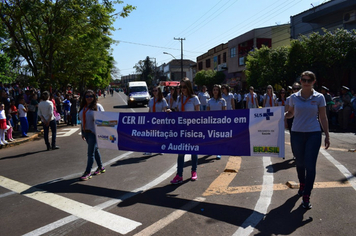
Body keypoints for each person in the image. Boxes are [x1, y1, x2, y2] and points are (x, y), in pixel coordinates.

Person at [285, 71, 330, 209]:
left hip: (313, 134)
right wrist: (282, 114)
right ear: (300, 81)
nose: (305, 82)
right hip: (297, 133)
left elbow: (323, 117)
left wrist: (327, 135)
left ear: (313, 82)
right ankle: (302, 184)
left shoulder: (319, 97)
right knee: (299, 163)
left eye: (309, 80)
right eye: (303, 80)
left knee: (310, 166)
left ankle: (306, 195)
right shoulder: (294, 97)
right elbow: (291, 113)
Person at [170, 78, 200, 184]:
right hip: (181, 129)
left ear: (188, 87)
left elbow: (198, 114)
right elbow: (178, 112)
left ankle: (194, 171)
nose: (182, 89)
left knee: (193, 150)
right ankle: (179, 175)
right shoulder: (179, 99)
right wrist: (171, 111)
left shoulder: (195, 99)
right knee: (181, 152)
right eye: (180, 87)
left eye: (184, 87)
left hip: (192, 129)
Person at [78, 89, 105, 181]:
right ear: (84, 98)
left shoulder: (97, 106)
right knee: (95, 150)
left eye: (91, 96)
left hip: (94, 133)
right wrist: (82, 132)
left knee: (90, 154)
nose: (89, 98)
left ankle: (87, 172)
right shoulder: (83, 107)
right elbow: (82, 121)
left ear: (94, 97)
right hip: (86, 133)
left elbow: (104, 119)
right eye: (87, 96)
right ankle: (101, 167)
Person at [144, 86, 169, 155]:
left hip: (160, 120)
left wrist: (167, 112)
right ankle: (149, 150)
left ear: (159, 91)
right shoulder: (151, 100)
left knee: (159, 135)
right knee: (151, 135)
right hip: (152, 120)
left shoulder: (163, 100)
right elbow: (149, 110)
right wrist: (147, 118)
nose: (154, 92)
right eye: (153, 91)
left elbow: (164, 110)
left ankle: (160, 149)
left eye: (156, 91)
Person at [207, 84, 226, 159]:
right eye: (214, 90)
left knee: (219, 138)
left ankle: (219, 152)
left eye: (217, 90)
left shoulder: (222, 100)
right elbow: (207, 112)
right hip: (212, 122)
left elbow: (224, 112)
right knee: (212, 137)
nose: (215, 91)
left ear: (219, 91)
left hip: (220, 122)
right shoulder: (209, 101)